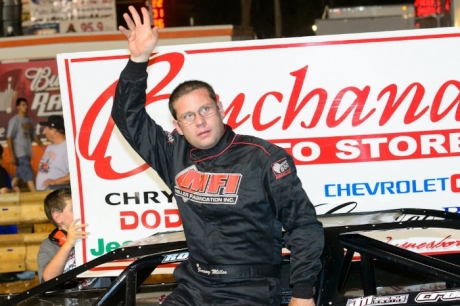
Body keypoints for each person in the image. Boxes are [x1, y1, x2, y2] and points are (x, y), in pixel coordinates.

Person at [111, 6, 324, 306]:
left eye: (205, 110)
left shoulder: (263, 157)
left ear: (220, 108)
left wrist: (303, 294)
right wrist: (138, 60)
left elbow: (304, 226)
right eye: (187, 116)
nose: (199, 121)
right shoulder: (172, 152)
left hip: (251, 288)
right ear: (177, 125)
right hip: (194, 286)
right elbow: (127, 117)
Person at [37, 188, 111, 288]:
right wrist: (68, 244)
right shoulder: (49, 245)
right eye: (74, 208)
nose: (82, 211)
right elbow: (49, 278)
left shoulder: (97, 236)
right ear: (58, 217)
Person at [6, 97, 44, 192]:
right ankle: (35, 196)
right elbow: (9, 138)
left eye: (26, 105)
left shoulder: (29, 120)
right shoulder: (14, 121)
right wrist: (12, 155)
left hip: (27, 152)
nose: (26, 107)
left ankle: (4, 192)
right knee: (29, 175)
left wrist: (42, 145)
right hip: (20, 153)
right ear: (18, 107)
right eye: (23, 105)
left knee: (18, 175)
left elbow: (33, 135)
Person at [35, 115, 70, 191]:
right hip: (43, 194)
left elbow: (76, 175)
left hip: (55, 196)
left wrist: (55, 182)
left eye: (46, 128)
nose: (45, 131)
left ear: (54, 131)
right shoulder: (50, 146)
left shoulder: (67, 148)